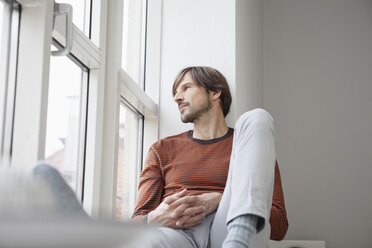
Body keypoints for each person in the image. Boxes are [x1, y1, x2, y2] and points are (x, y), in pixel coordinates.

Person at [132, 66, 288, 248]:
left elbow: (279, 228)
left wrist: (220, 200)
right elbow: (136, 221)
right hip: (179, 234)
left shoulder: (249, 146)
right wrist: (154, 218)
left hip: (232, 228)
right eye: (175, 92)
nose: (177, 98)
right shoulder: (162, 149)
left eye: (186, 88)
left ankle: (237, 239)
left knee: (257, 117)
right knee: (149, 241)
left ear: (214, 92)